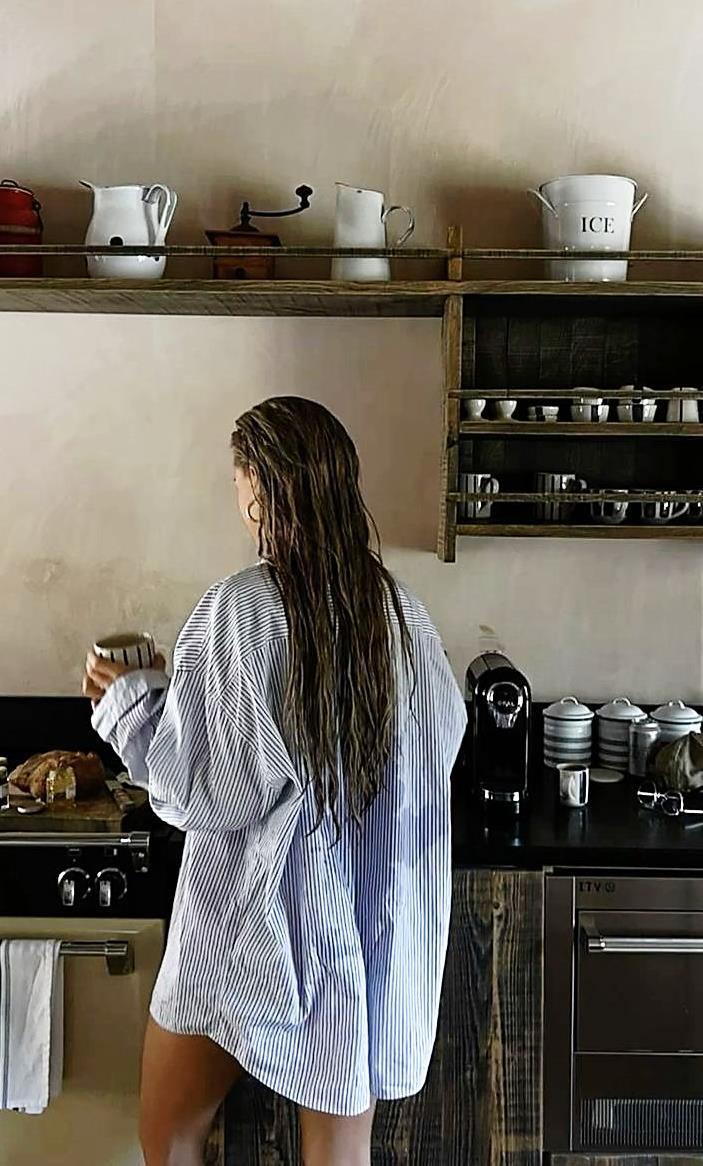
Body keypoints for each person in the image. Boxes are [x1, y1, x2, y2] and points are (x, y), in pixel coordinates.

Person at [84, 396, 466, 1166]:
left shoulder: (244, 609)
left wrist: (128, 703)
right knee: (338, 1156)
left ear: (256, 483)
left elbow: (204, 792)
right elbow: (442, 741)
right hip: (365, 923)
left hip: (249, 927)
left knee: (169, 1138)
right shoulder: (400, 612)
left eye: (237, 478)